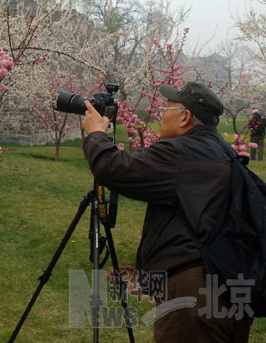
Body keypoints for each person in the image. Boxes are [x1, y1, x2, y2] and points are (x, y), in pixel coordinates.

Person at [82, 81, 253, 342]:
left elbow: (113, 168)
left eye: (167, 107)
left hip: (193, 296)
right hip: (231, 287)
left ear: (185, 117)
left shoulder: (180, 153)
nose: (161, 113)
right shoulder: (222, 151)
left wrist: (96, 134)